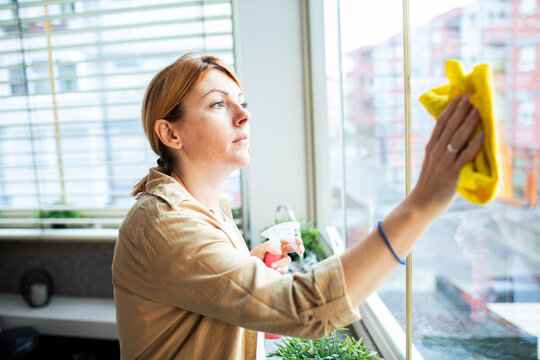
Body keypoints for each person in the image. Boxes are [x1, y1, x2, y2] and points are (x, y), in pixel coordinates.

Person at [112, 53, 484, 359]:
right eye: (218, 104)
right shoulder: (166, 223)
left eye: (242, 103)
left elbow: (199, 304)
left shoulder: (208, 208)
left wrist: (247, 268)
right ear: (170, 133)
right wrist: (422, 204)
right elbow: (303, 308)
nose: (244, 116)